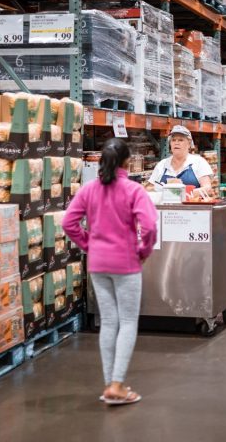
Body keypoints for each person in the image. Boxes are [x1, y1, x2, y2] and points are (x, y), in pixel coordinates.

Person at [62, 138, 158, 406]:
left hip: (98, 263)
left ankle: (109, 385)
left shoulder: (89, 189)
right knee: (127, 321)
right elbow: (149, 226)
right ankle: (117, 384)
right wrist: (143, 251)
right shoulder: (134, 190)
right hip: (126, 262)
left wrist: (88, 243)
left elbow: (69, 222)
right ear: (127, 161)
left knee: (109, 321)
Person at [148, 125, 214, 197]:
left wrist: (180, 194)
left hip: (191, 207)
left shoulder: (199, 162)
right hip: (166, 208)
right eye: (173, 140)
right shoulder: (162, 165)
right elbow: (149, 188)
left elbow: (207, 189)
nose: (176, 143)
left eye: (180, 140)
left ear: (189, 144)